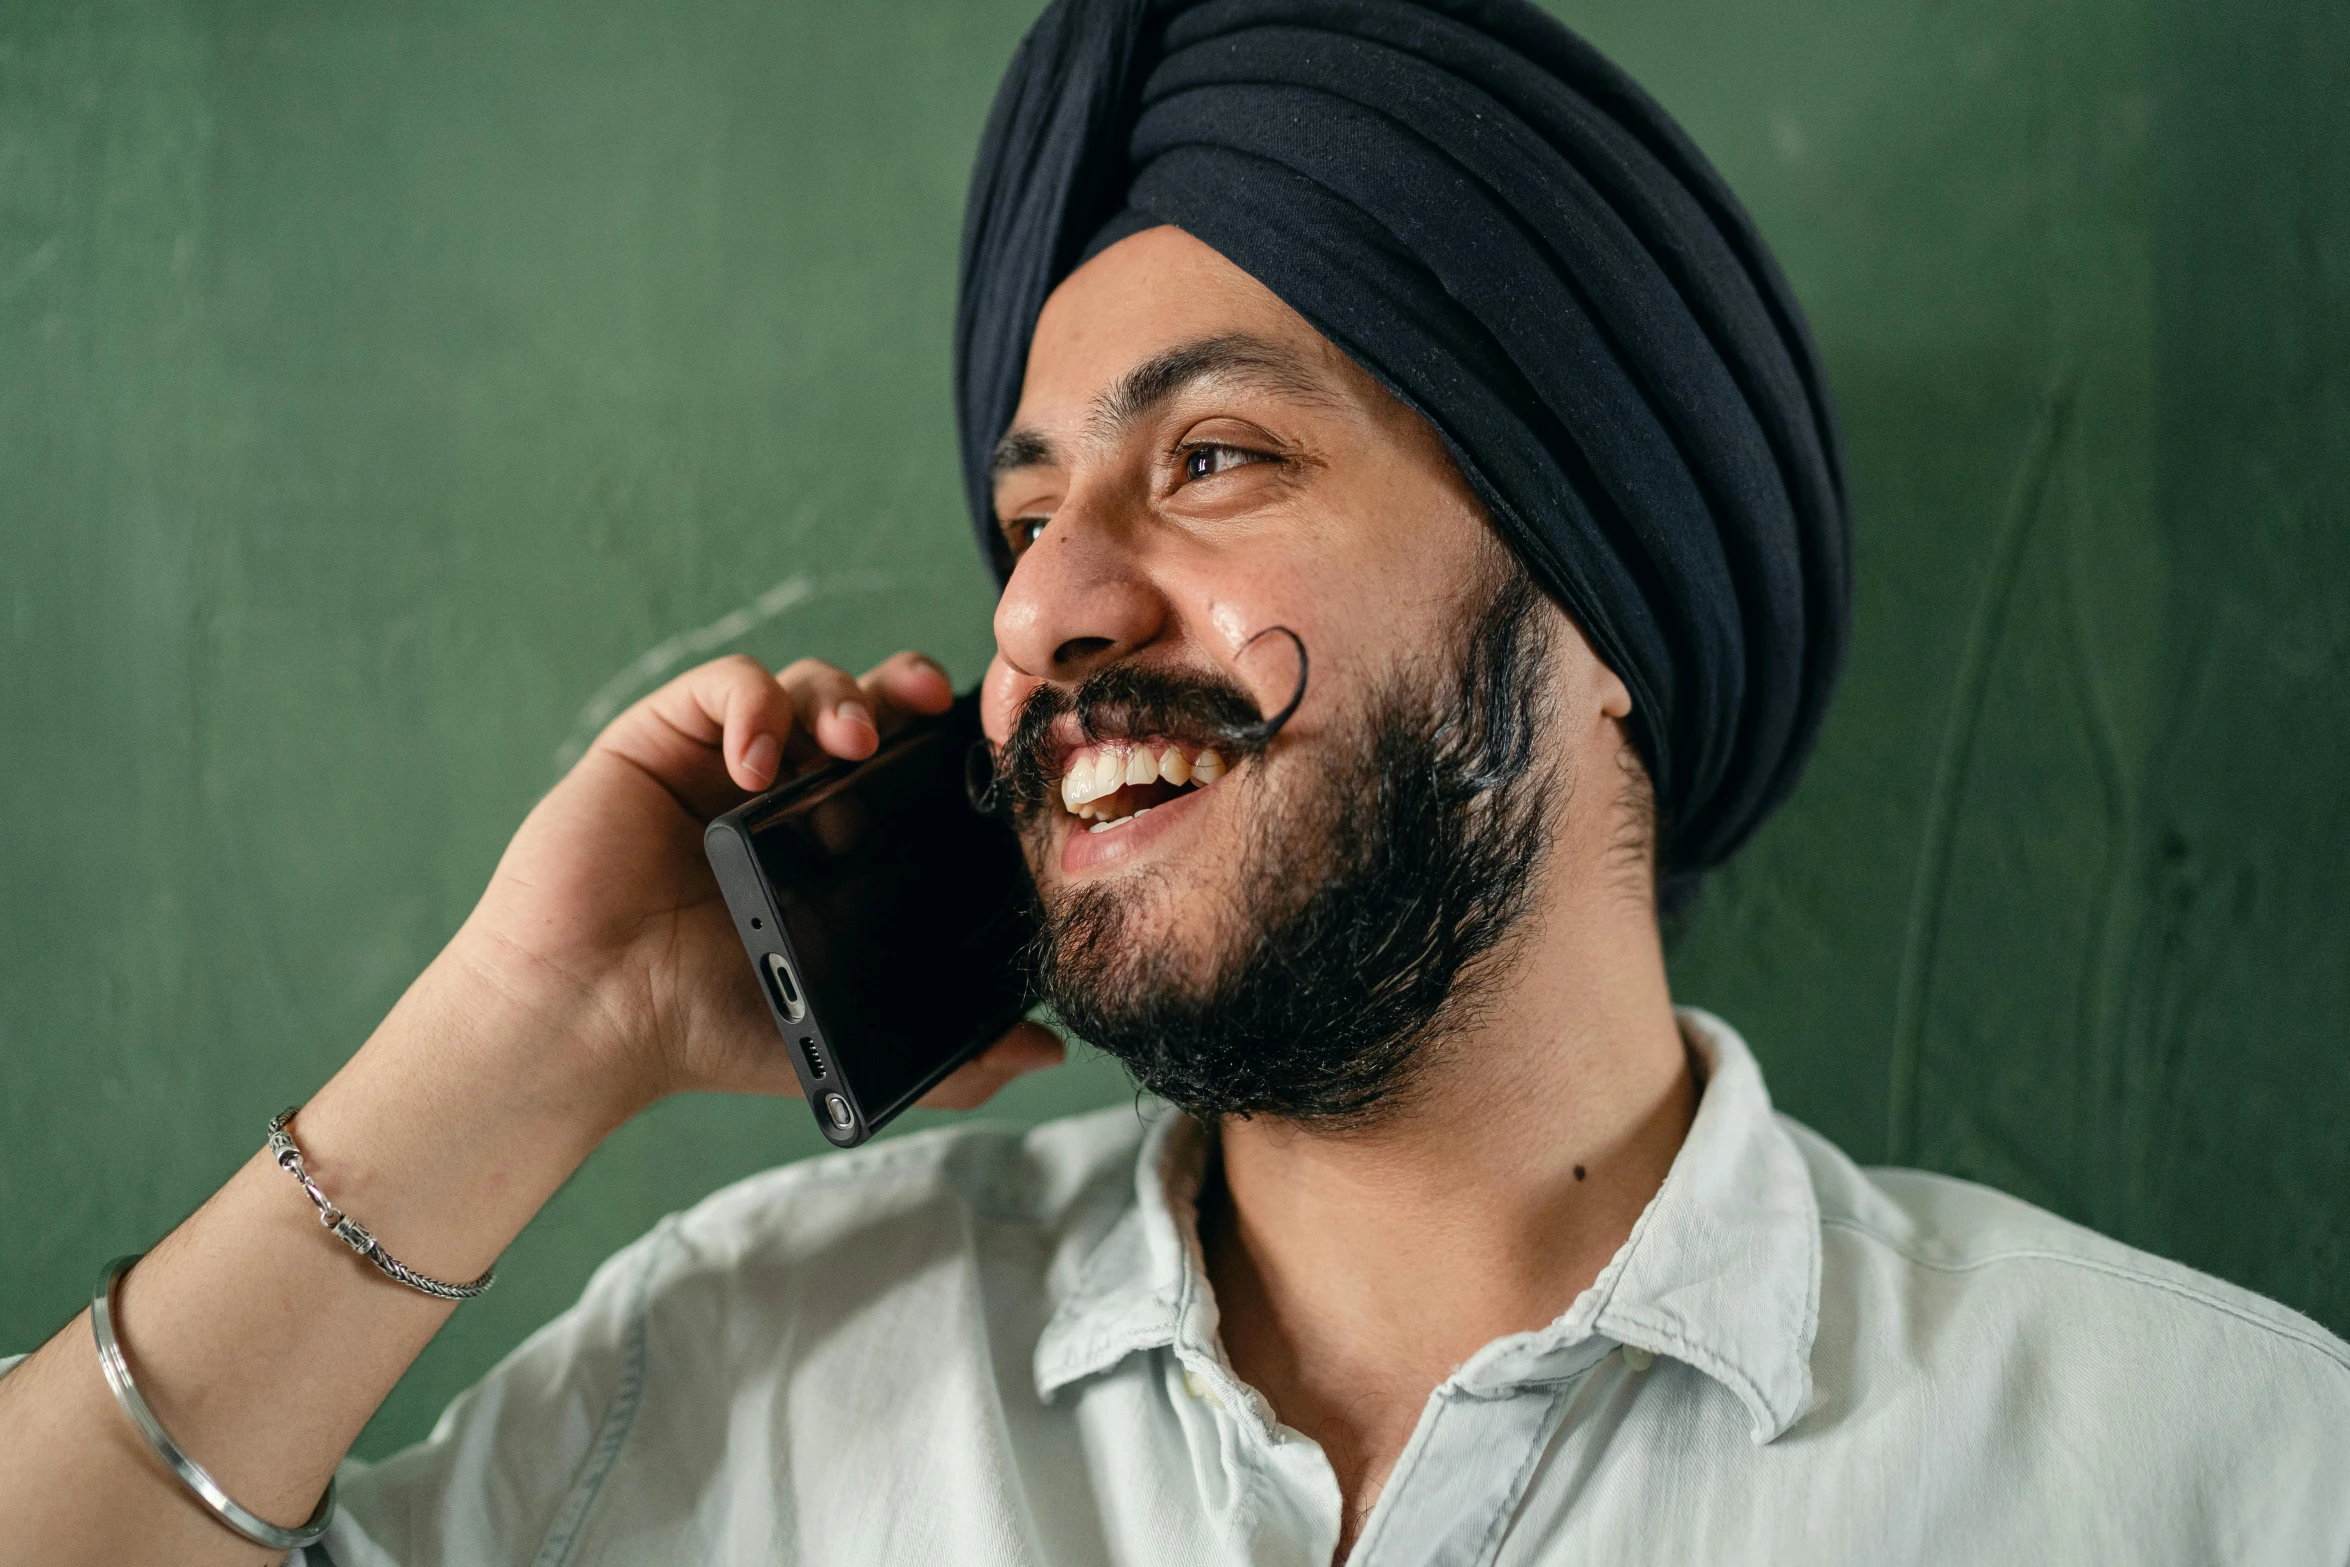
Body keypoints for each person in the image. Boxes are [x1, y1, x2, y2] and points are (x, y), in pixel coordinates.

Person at [3, 0, 2346, 1561]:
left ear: (1602, 604)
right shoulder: (748, 1391)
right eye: (1024, 523)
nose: (1045, 612)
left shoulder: (2206, 1472)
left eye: (1207, 457)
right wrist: (526, 1039)